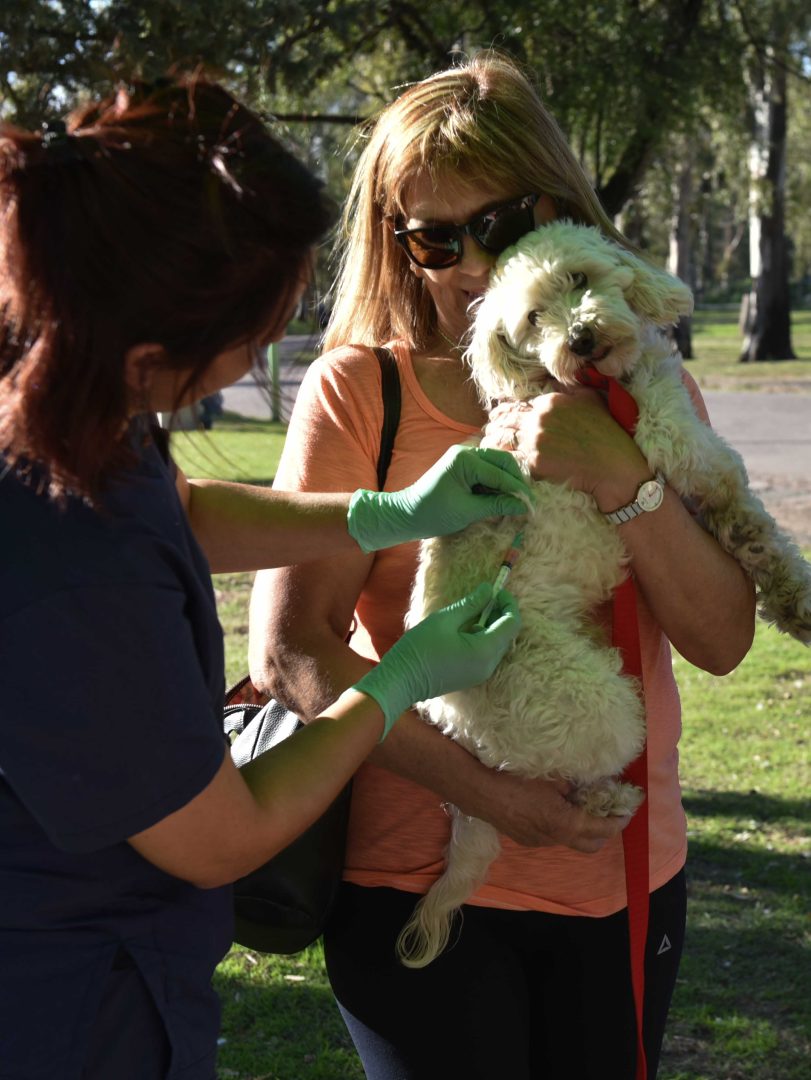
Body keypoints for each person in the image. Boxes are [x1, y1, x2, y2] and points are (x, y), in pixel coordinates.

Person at [0, 75, 532, 1080]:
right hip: (66, 1004)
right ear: (155, 355)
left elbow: (184, 514)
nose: (266, 350)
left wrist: (391, 513)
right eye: (257, 338)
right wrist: (395, 682)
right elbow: (218, 837)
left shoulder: (71, 386)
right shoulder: (64, 560)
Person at [248, 52, 756, 1079]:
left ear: (558, 208)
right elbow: (293, 654)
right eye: (435, 237)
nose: (473, 266)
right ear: (396, 245)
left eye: (502, 224)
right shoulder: (362, 392)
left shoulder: (644, 391)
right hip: (412, 880)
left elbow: (721, 640)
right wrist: (499, 802)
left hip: (622, 873)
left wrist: (622, 476)